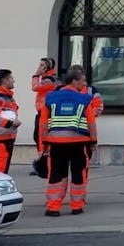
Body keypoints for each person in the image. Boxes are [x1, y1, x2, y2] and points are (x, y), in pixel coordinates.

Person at [39, 65, 97, 216]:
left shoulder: (50, 98)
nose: (85, 84)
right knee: (79, 173)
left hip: (55, 144)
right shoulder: (84, 99)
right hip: (79, 143)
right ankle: (77, 206)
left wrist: (43, 143)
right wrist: (93, 141)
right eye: (83, 81)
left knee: (56, 174)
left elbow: (43, 122)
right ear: (74, 81)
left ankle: (53, 207)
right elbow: (91, 122)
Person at [30, 57, 60, 177]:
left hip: (47, 114)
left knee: (43, 139)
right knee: (38, 138)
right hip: (43, 113)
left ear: (48, 68)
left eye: (42, 65)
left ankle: (44, 165)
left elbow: (35, 87)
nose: (39, 67)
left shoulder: (50, 80)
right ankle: (42, 163)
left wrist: (35, 76)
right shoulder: (48, 79)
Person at [0, 69, 19, 175]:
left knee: (2, 170)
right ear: (4, 80)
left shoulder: (8, 97)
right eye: (11, 78)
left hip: (7, 138)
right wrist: (10, 123)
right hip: (0, 140)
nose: (14, 81)